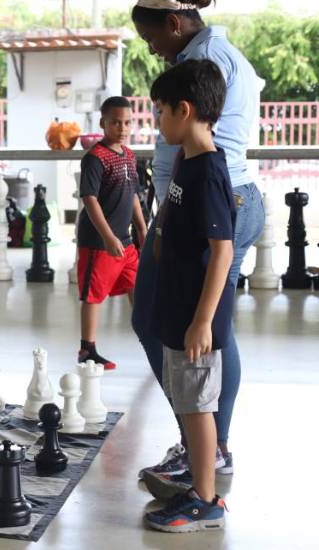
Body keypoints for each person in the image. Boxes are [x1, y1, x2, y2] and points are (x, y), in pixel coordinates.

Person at [131, 0, 264, 481]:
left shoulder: (199, 65)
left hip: (209, 209)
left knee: (181, 328)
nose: (154, 50)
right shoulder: (223, 56)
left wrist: (167, 215)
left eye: (152, 40)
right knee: (202, 330)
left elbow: (205, 155)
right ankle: (206, 442)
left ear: (174, 23)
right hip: (213, 202)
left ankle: (204, 444)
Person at [142, 59, 232, 533]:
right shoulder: (186, 161)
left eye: (160, 111)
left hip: (196, 316)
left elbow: (222, 252)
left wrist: (202, 320)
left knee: (198, 407)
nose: (157, 120)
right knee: (189, 403)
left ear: (185, 108)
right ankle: (199, 486)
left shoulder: (209, 172)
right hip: (177, 307)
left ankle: (206, 499)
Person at [76, 96, 147, 370]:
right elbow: (89, 199)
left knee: (137, 287)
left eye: (128, 122)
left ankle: (149, 337)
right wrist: (107, 237)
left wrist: (141, 227)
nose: (122, 127)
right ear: (103, 123)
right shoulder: (95, 158)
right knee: (93, 295)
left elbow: (133, 195)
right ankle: (87, 349)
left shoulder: (129, 155)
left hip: (126, 241)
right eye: (116, 122)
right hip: (99, 242)